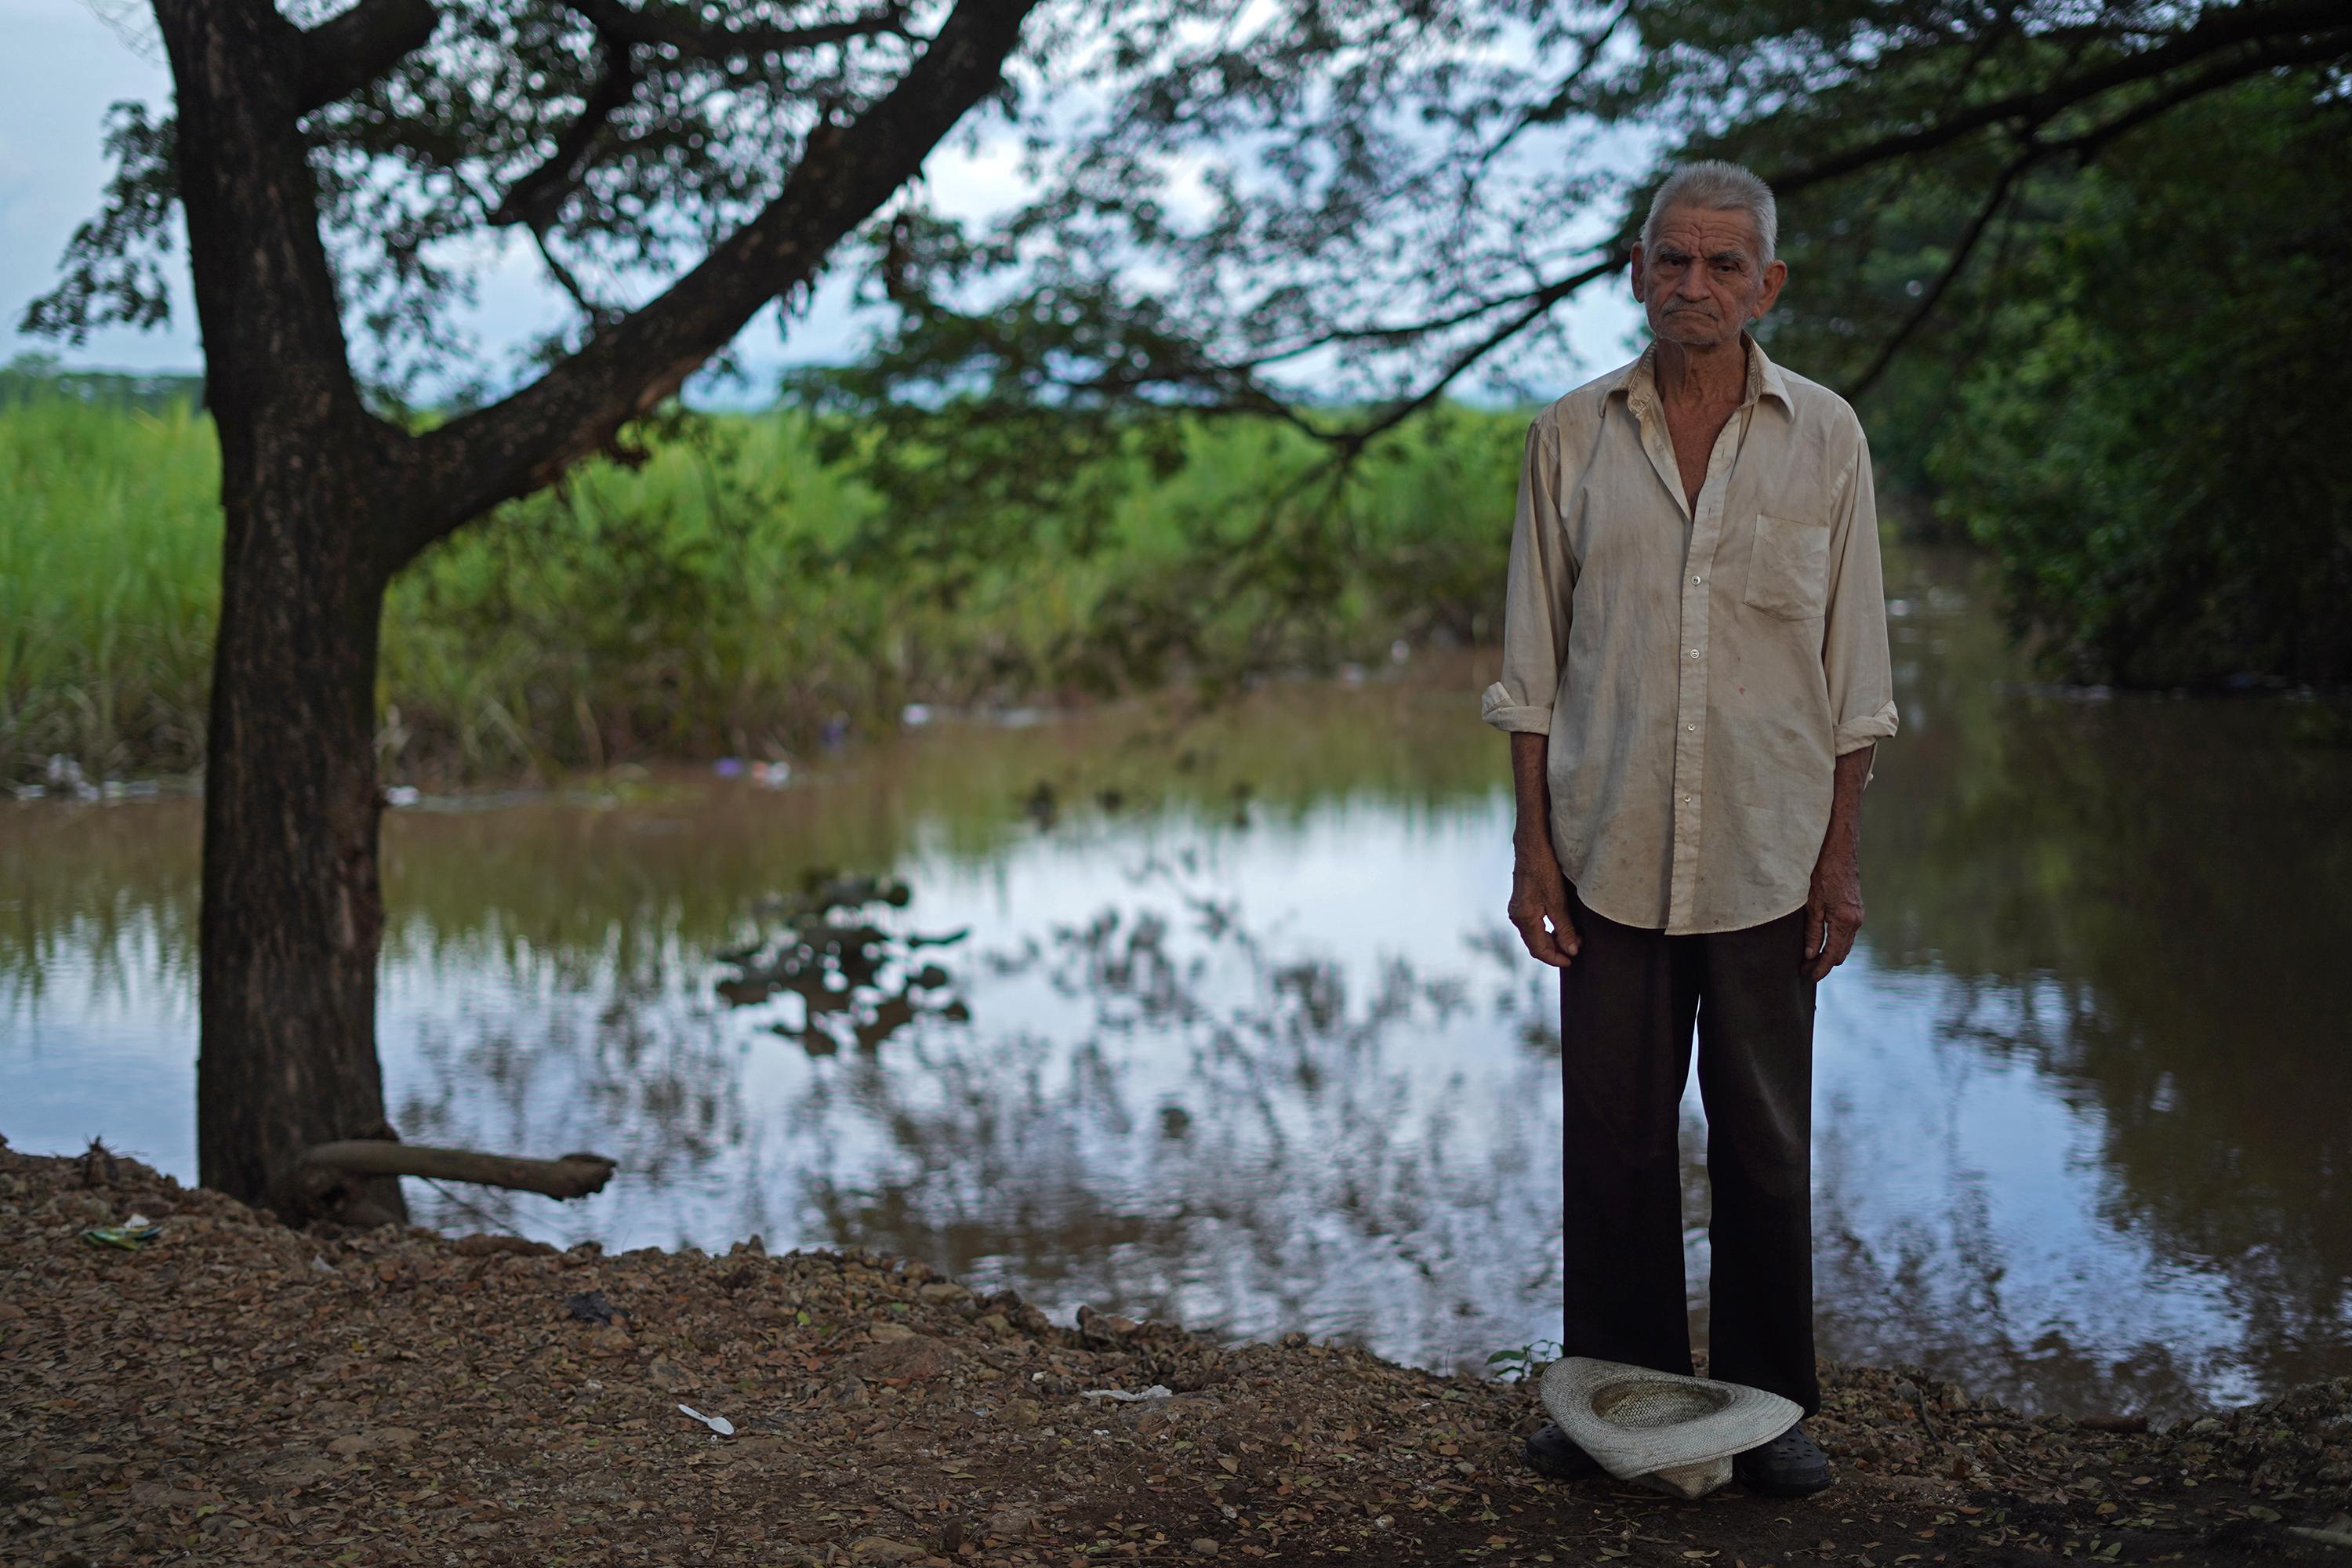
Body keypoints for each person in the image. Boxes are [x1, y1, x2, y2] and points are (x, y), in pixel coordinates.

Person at [1479, 159, 1898, 1497]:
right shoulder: (1570, 435)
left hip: (1773, 853)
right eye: (1674, 261)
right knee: (1611, 1140)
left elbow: (1858, 675)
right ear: (1639, 270)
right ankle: (1611, 1403)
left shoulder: (1826, 436)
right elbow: (1532, 665)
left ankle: (1770, 1412)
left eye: (1725, 266)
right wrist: (1533, 850)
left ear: (1768, 285)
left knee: (1767, 1143)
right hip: (1605, 850)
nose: (1696, 287)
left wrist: (1840, 858)